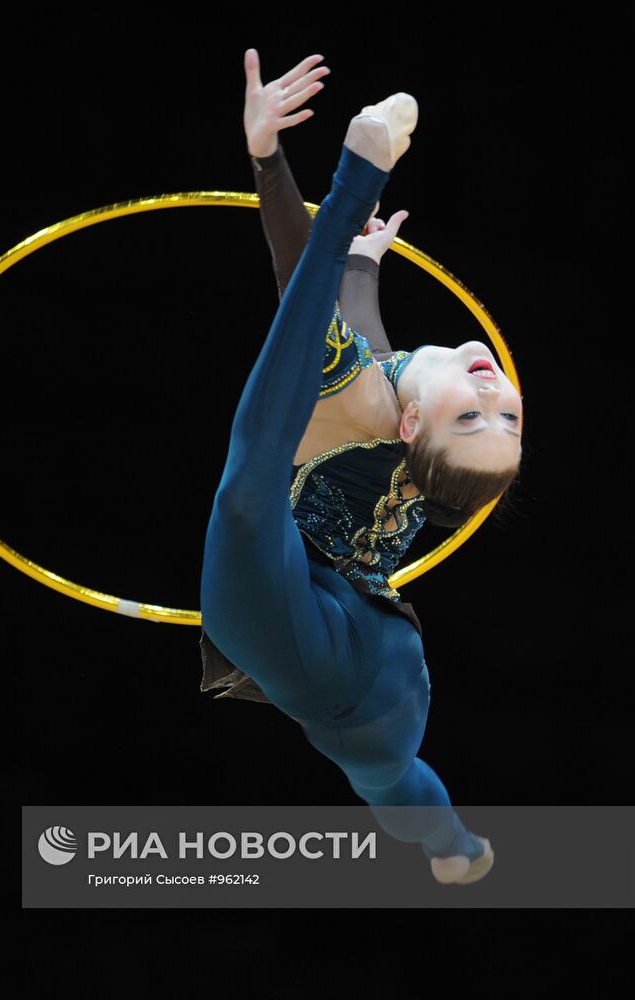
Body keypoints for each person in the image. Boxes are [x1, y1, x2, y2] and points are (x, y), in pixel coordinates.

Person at [199, 53, 497, 884]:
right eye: (498, 403)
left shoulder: (376, 400)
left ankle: (450, 843)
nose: (487, 379)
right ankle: (454, 846)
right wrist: (361, 266)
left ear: (414, 424)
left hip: (340, 654)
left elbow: (311, 300)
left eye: (478, 411)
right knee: (390, 780)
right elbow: (363, 342)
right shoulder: (407, 416)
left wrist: (291, 170)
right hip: (374, 652)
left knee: (246, 500)